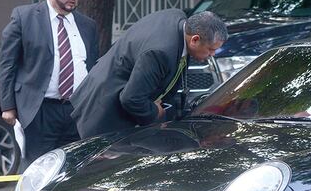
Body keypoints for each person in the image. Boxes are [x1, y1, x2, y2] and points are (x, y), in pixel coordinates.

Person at [72, 10, 227, 139]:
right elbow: (131, 99)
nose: (212, 55)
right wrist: (155, 112)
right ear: (195, 39)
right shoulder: (160, 52)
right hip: (104, 114)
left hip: (112, 102)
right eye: (211, 49)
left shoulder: (178, 19)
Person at [0, 0, 99, 162]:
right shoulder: (24, 17)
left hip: (77, 110)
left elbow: (93, 67)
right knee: (39, 169)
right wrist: (8, 106)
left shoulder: (88, 26)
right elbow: (7, 63)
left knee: (74, 167)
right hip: (40, 110)